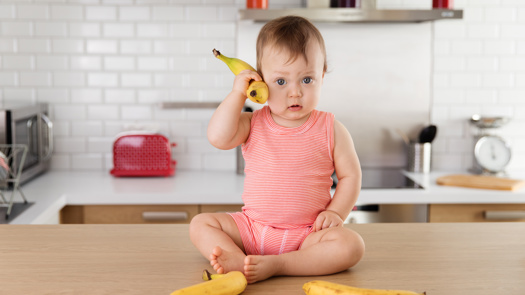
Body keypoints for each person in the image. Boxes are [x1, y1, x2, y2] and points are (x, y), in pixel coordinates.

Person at [190, 15, 364, 284]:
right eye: (281, 82)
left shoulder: (332, 128)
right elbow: (218, 138)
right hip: (251, 229)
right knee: (200, 224)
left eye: (307, 80)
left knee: (352, 245)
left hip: (307, 235)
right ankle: (238, 258)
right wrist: (237, 94)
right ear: (260, 80)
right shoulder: (251, 123)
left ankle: (280, 265)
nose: (295, 92)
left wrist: (335, 213)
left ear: (322, 74)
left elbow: (351, 177)